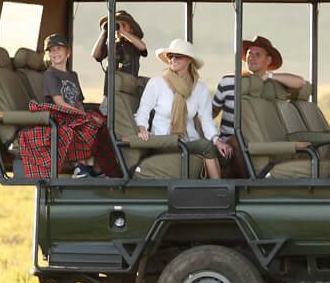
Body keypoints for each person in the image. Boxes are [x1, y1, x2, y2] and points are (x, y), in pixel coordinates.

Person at [18, 33, 121, 178]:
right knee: (88, 124)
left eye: (59, 49)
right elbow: (60, 103)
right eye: (51, 50)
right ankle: (80, 167)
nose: (55, 53)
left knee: (102, 124)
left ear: (68, 52)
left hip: (74, 113)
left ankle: (98, 168)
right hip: (60, 114)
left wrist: (86, 114)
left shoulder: (73, 75)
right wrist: (85, 117)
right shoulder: (50, 75)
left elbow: (78, 102)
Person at [212, 35, 304, 174]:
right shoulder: (228, 82)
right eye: (249, 53)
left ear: (268, 60)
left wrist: (270, 76)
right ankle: (248, 187)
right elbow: (211, 113)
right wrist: (214, 139)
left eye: (258, 54)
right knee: (237, 142)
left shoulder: (271, 86)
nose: (252, 57)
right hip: (231, 142)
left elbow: (300, 83)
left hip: (260, 139)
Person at [135, 39, 223, 179]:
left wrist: (216, 139)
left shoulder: (199, 88)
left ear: (189, 60)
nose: (173, 59)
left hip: (188, 141)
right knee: (206, 147)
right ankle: (219, 188)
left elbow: (206, 120)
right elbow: (143, 112)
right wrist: (142, 128)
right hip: (164, 140)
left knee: (214, 147)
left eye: (178, 56)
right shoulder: (156, 83)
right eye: (170, 56)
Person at [92, 10, 146, 75]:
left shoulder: (133, 44)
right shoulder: (111, 44)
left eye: (123, 25)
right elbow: (95, 55)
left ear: (131, 29)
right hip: (111, 83)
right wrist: (104, 32)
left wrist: (123, 32)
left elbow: (142, 47)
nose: (118, 28)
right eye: (116, 25)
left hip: (129, 81)